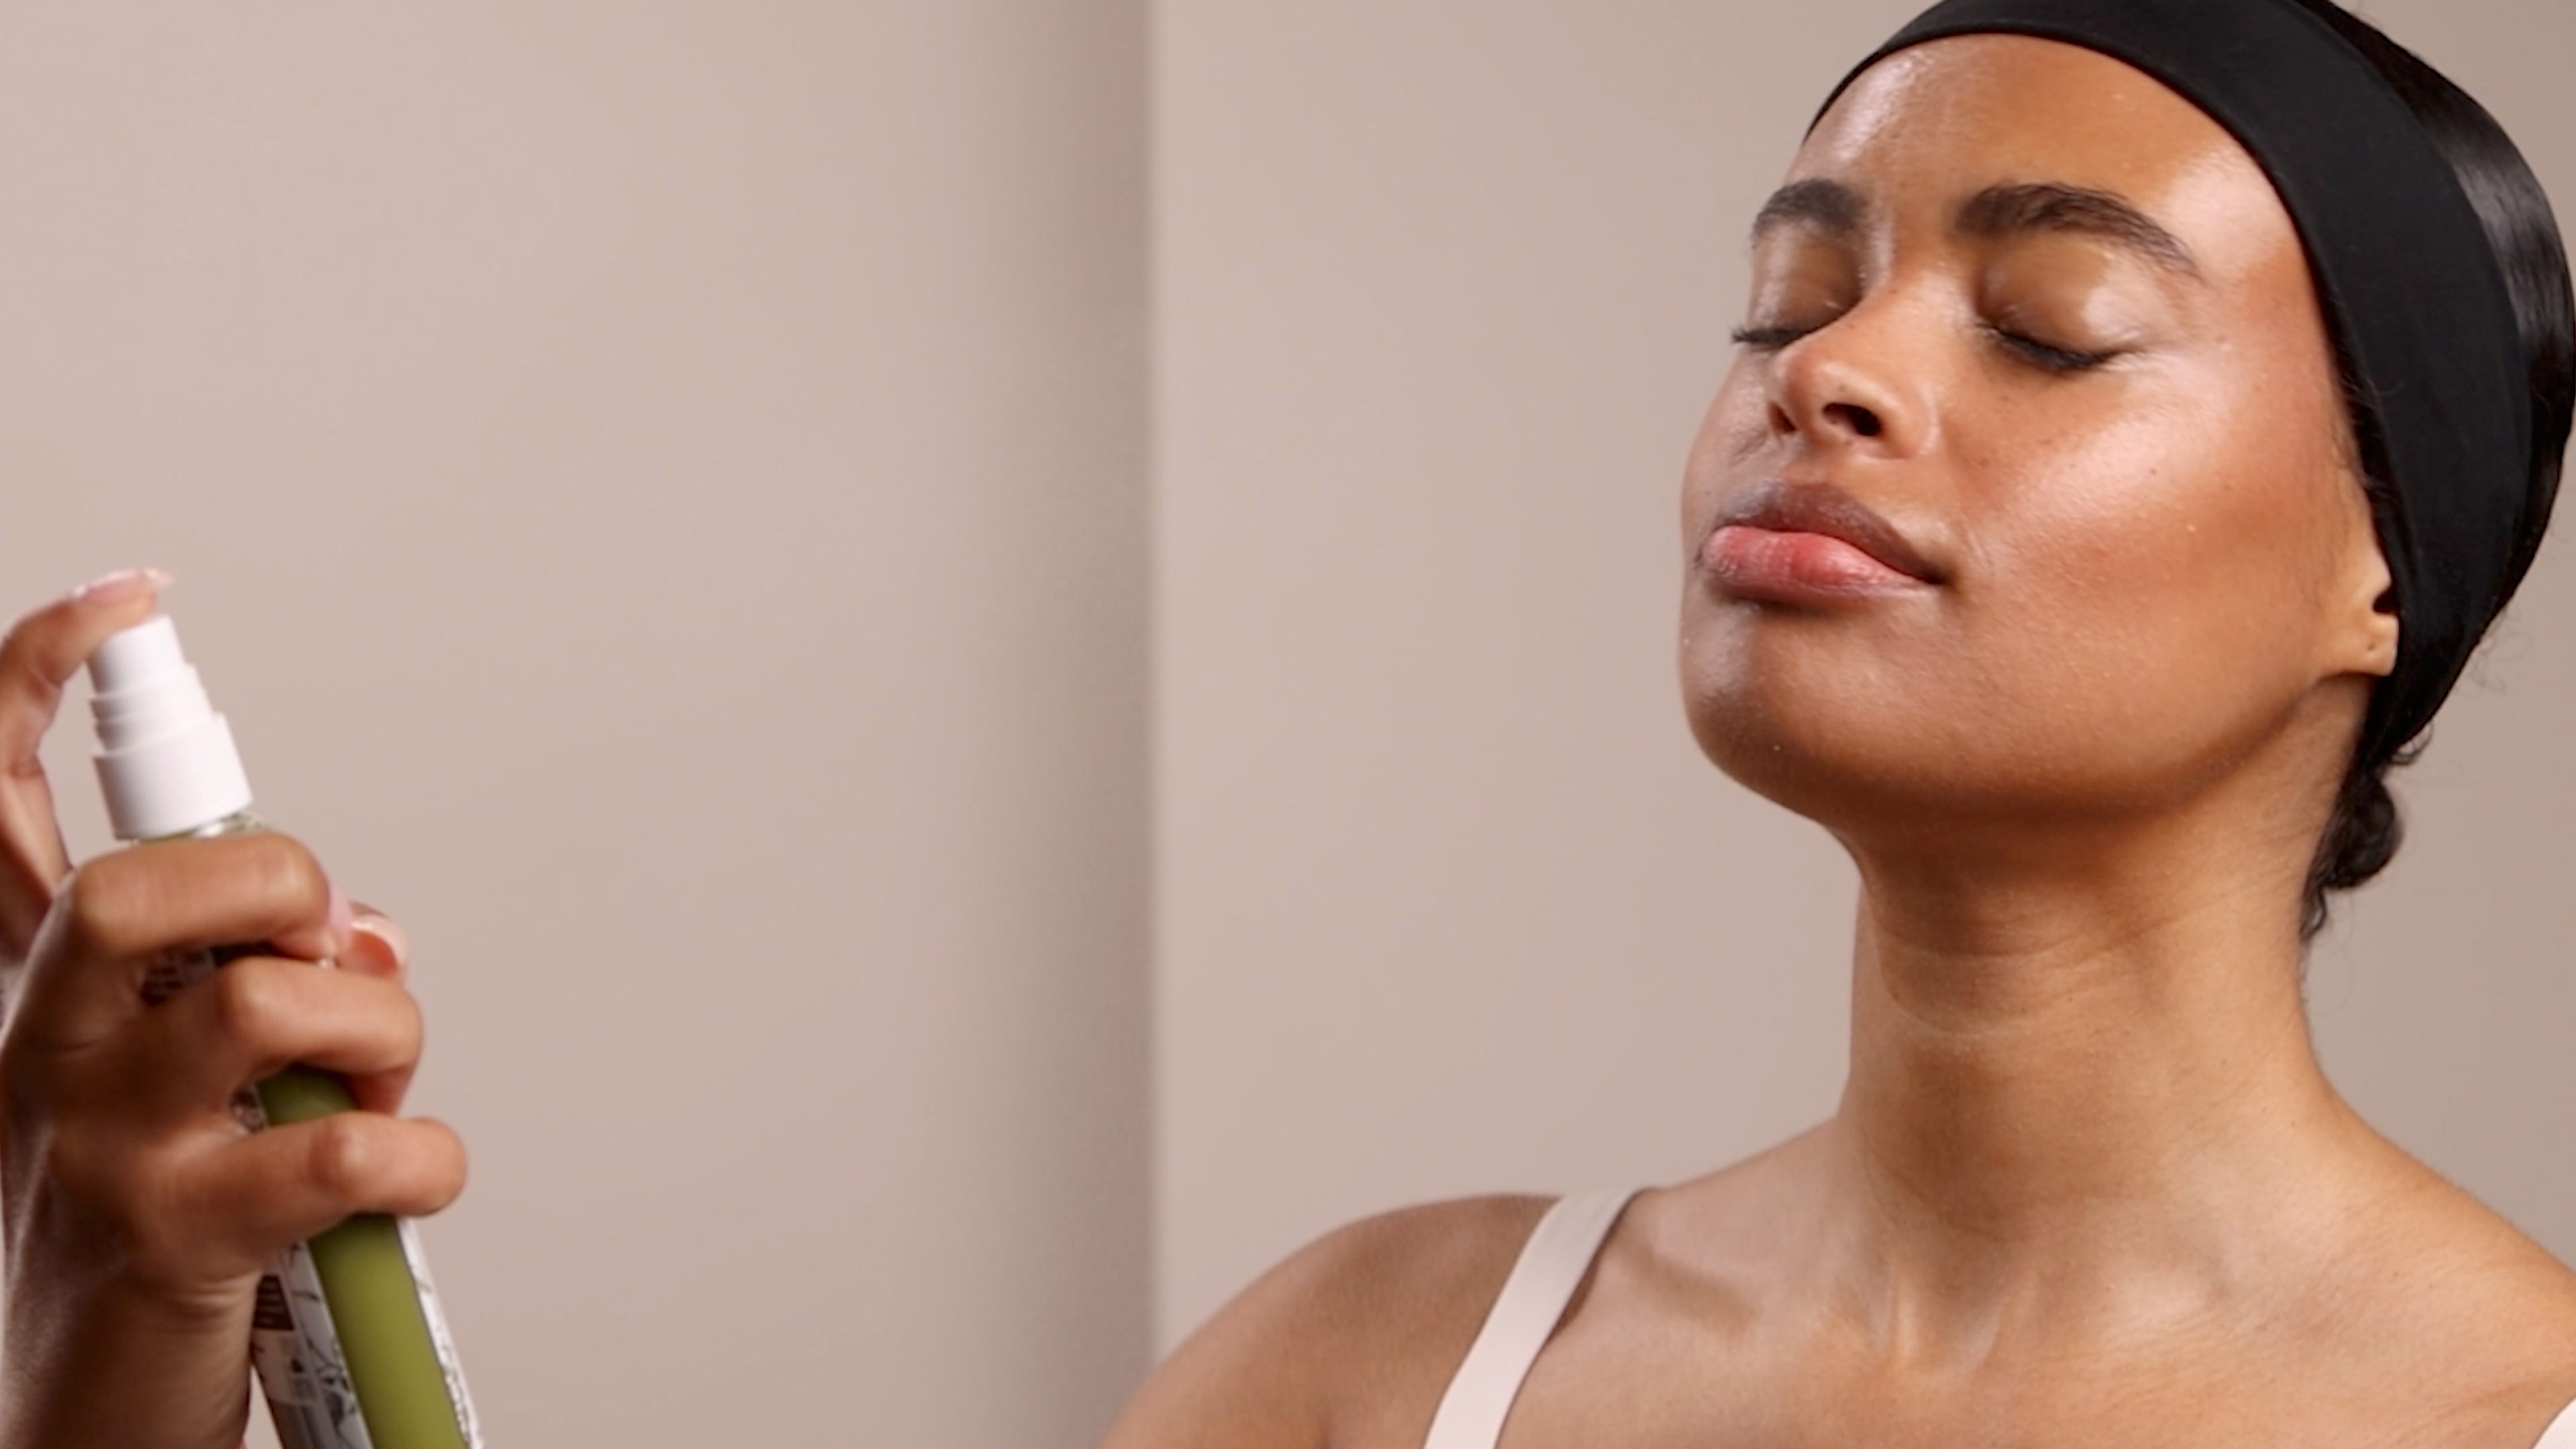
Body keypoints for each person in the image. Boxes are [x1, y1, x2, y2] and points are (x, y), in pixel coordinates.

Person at [1, 2, 2571, 1448]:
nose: (1832, 373)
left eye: (2051, 325)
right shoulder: (1378, 1368)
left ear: (2385, 562)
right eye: (1787, 301)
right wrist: (130, 1314)